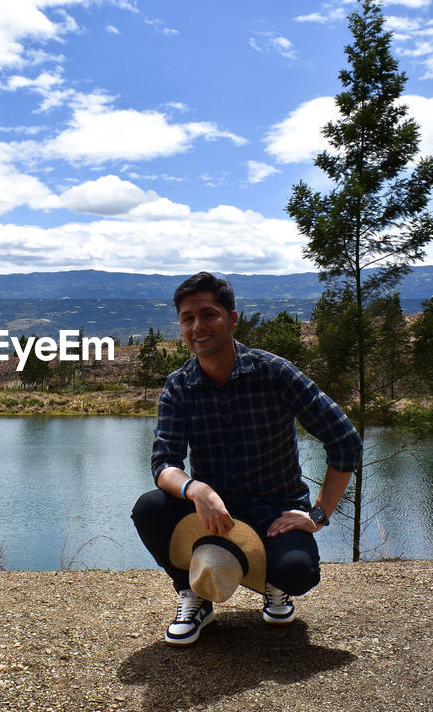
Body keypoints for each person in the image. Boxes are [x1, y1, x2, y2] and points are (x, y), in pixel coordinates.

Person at [132, 272, 363, 646]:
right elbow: (164, 465)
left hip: (275, 509)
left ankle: (276, 585)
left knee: (298, 573)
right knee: (149, 508)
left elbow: (345, 442)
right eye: (188, 319)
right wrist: (196, 489)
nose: (198, 327)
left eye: (209, 314)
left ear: (233, 319)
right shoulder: (179, 386)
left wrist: (318, 514)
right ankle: (194, 594)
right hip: (214, 512)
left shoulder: (274, 373)